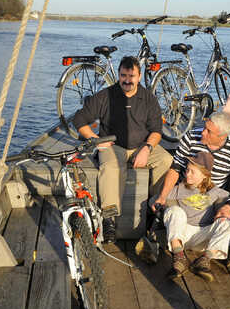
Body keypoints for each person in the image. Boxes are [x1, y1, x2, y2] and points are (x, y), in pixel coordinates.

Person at [73, 55, 173, 243]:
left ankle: (155, 206)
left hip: (142, 145)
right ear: (118, 75)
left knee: (167, 160)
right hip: (113, 145)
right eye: (123, 75)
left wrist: (147, 149)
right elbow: (78, 120)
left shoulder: (148, 98)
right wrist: (95, 140)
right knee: (110, 168)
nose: (127, 80)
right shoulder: (105, 96)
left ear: (139, 76)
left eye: (131, 76)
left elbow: (157, 131)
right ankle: (109, 218)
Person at [154, 111, 230, 265]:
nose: (202, 132)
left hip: (213, 201)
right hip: (186, 193)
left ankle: (218, 250)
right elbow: (176, 168)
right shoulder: (191, 137)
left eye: (209, 131)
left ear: (222, 136)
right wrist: (163, 196)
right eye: (205, 127)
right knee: (170, 207)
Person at [159, 151, 230, 281]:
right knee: (175, 211)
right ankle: (179, 258)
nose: (187, 174)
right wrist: (163, 204)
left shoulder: (215, 192)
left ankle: (204, 260)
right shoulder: (178, 189)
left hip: (205, 238)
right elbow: (157, 200)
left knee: (227, 222)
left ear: (205, 175)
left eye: (193, 172)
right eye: (187, 170)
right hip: (181, 235)